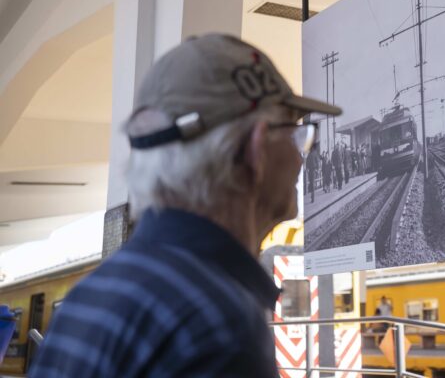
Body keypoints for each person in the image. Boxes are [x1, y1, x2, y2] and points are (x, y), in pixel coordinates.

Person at [29, 35, 341, 377]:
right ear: (256, 149)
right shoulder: (222, 327)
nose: (301, 158)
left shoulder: (88, 297)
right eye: (297, 135)